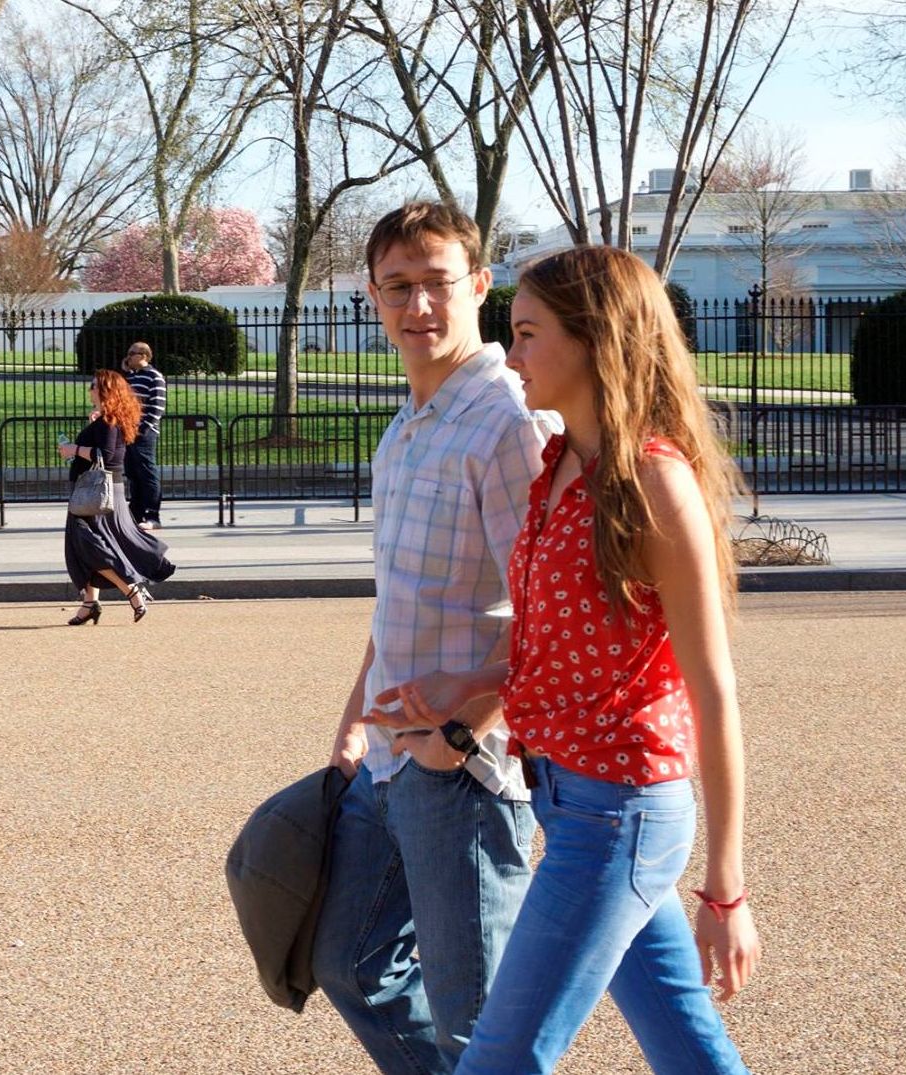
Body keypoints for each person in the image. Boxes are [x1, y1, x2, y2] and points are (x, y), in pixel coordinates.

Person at [370, 246, 759, 1074]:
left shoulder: (654, 483)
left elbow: (713, 691)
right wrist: (466, 688)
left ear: (592, 340)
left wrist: (724, 889)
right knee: (688, 1049)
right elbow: (557, 649)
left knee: (498, 1060)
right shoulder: (557, 467)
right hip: (569, 799)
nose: (510, 357)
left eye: (526, 334)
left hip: (621, 814)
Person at [309, 203, 554, 1075]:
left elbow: (551, 614)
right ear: (373, 298)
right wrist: (350, 723)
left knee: (479, 1018)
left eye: (437, 283)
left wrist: (465, 727)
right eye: (397, 287)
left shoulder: (506, 424)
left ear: (479, 285)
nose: (418, 306)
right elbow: (397, 604)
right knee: (349, 961)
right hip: (388, 753)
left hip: (464, 766)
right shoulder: (407, 430)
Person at [58, 368, 175, 624]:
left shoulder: (109, 421)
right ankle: (89, 603)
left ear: (104, 390)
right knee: (84, 547)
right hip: (98, 492)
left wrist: (72, 449)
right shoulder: (106, 419)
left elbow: (107, 456)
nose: (89, 389)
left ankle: (131, 590)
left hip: (97, 496)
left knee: (91, 547)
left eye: (93, 385)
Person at [122, 341, 166, 530]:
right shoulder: (131, 378)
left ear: (144, 356)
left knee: (147, 473)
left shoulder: (154, 377)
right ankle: (136, 513)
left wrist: (143, 429)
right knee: (133, 474)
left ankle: (152, 515)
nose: (128, 357)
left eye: (132, 353)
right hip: (128, 431)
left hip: (144, 433)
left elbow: (157, 407)